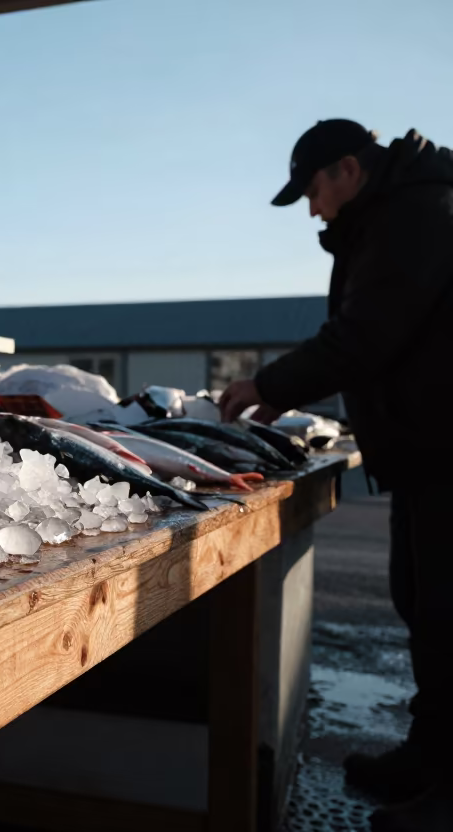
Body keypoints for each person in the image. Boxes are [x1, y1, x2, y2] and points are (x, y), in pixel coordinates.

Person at [220, 120, 453, 832]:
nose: (314, 210)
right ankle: (431, 758)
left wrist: (269, 384)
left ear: (348, 170)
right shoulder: (388, 214)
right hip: (426, 450)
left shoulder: (417, 213)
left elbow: (367, 332)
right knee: (425, 606)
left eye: (315, 192)